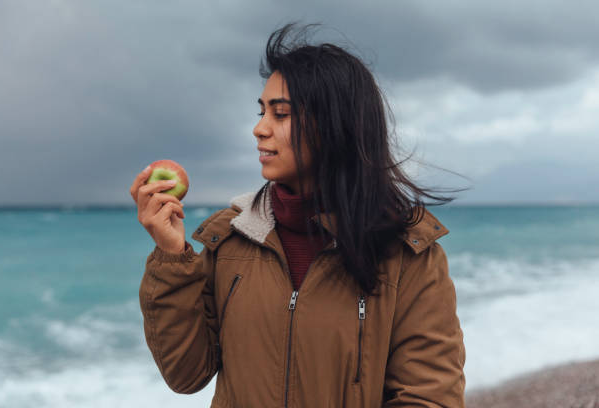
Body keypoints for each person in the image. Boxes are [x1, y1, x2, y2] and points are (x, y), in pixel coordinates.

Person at [130, 23, 466, 408]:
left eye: (281, 114)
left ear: (336, 125)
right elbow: (186, 376)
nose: (259, 129)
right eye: (261, 112)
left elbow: (430, 397)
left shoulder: (407, 254)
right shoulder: (230, 240)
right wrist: (172, 255)